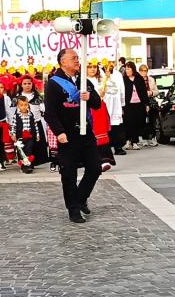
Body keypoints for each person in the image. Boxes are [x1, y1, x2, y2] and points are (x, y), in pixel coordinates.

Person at [44, 49, 103, 224]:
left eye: (78, 58)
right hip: (67, 135)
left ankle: (80, 197)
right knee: (69, 174)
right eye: (74, 58)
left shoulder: (83, 80)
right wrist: (59, 132)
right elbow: (50, 113)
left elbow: (97, 104)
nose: (78, 61)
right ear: (62, 62)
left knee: (95, 168)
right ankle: (74, 209)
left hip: (85, 132)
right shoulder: (54, 84)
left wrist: (89, 96)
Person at [87, 62, 117, 172]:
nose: (92, 69)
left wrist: (105, 91)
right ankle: (94, 161)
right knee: (92, 135)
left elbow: (114, 91)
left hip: (100, 108)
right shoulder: (82, 80)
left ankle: (105, 160)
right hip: (89, 109)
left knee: (102, 134)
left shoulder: (103, 79)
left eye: (94, 67)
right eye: (89, 67)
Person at [122, 61, 149, 150]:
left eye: (128, 68)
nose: (127, 70)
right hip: (128, 105)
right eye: (126, 69)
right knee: (128, 123)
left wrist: (146, 104)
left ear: (133, 69)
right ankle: (128, 141)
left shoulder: (139, 78)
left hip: (139, 104)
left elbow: (144, 92)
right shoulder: (124, 79)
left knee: (137, 123)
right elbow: (122, 93)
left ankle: (135, 142)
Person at [101, 62, 127, 155]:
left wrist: (122, 103)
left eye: (112, 63)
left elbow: (122, 89)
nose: (110, 65)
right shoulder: (99, 73)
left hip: (116, 103)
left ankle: (118, 147)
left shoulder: (118, 74)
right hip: (104, 102)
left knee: (116, 126)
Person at [10, 96, 39, 174]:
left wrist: (37, 134)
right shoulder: (16, 116)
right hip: (20, 137)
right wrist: (13, 134)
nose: (24, 107)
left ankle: (28, 165)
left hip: (29, 137)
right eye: (21, 105)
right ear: (18, 106)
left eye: (25, 105)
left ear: (28, 105)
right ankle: (24, 166)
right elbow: (13, 126)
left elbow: (35, 125)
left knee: (29, 150)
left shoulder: (31, 115)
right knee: (21, 151)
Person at [138, 64, 159, 147]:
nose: (144, 72)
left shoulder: (151, 79)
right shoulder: (137, 80)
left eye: (145, 70)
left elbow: (157, 91)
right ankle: (144, 138)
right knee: (143, 121)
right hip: (141, 102)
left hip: (151, 102)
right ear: (139, 71)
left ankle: (153, 138)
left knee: (152, 120)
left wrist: (152, 93)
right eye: (142, 70)